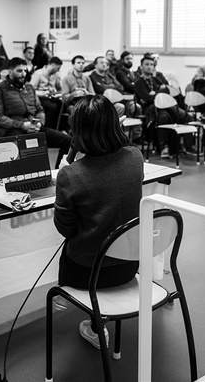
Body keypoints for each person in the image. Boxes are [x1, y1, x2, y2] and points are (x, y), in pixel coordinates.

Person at [53, 94, 144, 349]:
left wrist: (67, 169)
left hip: (88, 273)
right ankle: (92, 319)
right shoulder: (136, 158)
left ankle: (67, 292)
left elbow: (66, 229)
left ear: (77, 131)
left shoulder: (71, 175)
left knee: (74, 247)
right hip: (129, 266)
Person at [0, 58, 71, 167]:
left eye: (25, 71)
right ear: (10, 72)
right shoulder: (0, 90)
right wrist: (22, 125)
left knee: (68, 141)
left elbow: (40, 109)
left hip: (33, 127)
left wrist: (39, 123)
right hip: (12, 129)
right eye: (19, 71)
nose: (23, 74)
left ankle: (60, 172)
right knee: (26, 150)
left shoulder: (29, 87)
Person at [134, 55, 192, 159]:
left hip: (166, 106)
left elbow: (168, 91)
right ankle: (164, 147)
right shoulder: (139, 82)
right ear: (141, 67)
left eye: (151, 64)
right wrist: (160, 92)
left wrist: (155, 93)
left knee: (185, 116)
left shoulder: (156, 79)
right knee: (163, 117)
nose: (149, 66)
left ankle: (189, 146)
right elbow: (147, 98)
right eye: (147, 64)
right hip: (151, 109)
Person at [30, 56, 63, 130]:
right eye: (58, 68)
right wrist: (42, 93)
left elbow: (58, 87)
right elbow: (31, 90)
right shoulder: (38, 74)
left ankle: (57, 127)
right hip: (39, 98)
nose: (58, 70)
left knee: (61, 103)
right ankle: (48, 127)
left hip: (49, 96)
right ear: (53, 65)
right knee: (52, 106)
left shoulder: (54, 75)